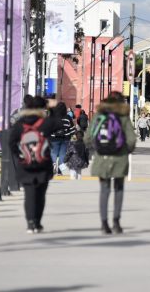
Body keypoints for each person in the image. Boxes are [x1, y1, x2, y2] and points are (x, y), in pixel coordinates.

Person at [9, 95, 62, 234]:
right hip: (42, 164)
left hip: (25, 164)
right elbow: (59, 124)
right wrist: (52, 109)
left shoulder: (20, 124)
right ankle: (37, 222)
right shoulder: (45, 122)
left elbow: (11, 142)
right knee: (40, 194)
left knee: (29, 194)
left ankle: (30, 223)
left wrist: (20, 156)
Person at [86, 91, 136, 235]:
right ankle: (116, 222)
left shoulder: (98, 117)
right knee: (119, 189)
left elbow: (87, 138)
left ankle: (103, 223)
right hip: (120, 157)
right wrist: (126, 150)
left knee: (104, 190)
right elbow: (131, 139)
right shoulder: (123, 117)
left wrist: (97, 149)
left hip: (102, 157)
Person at [48, 102, 76, 174]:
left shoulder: (52, 117)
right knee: (62, 154)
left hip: (53, 138)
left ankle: (53, 164)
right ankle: (60, 170)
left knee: (53, 153)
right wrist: (73, 136)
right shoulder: (68, 117)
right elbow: (72, 129)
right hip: (65, 138)